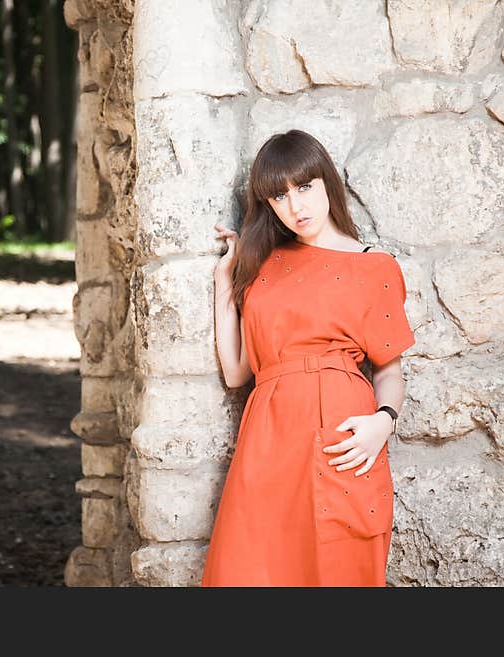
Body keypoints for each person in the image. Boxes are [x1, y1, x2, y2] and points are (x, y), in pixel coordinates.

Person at [200, 129, 415, 587]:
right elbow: (239, 372)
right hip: (267, 441)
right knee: (244, 573)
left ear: (326, 185)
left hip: (341, 440)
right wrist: (225, 283)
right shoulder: (265, 266)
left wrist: (384, 421)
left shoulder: (374, 267)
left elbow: (390, 372)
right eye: (279, 196)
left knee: (335, 574)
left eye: (304, 187)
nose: (296, 206)